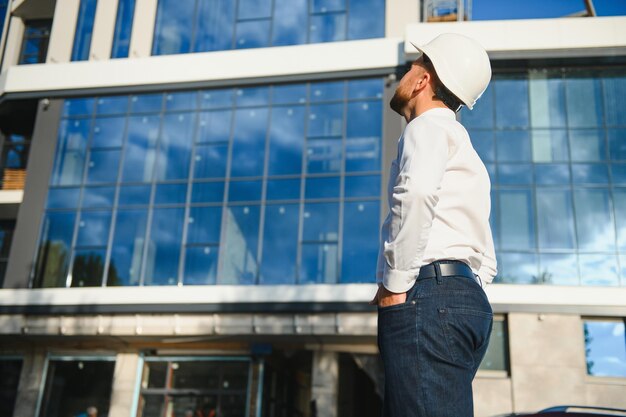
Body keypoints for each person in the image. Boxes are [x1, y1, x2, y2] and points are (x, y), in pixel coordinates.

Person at [370, 33, 497, 417]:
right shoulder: (464, 146)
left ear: (424, 81)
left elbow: (417, 194)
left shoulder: (425, 128)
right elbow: (486, 256)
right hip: (464, 298)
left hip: (430, 297)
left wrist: (395, 285)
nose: (406, 73)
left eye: (414, 65)